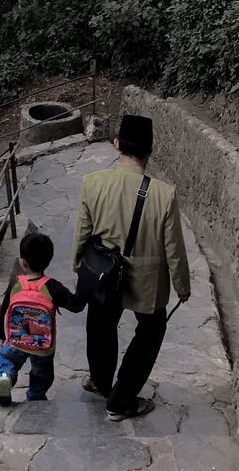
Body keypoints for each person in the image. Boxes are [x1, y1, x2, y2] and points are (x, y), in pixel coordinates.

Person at [72, 113, 191, 421]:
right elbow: (174, 248)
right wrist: (182, 285)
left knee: (100, 324)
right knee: (150, 331)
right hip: (147, 281)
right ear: (150, 150)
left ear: (116, 145)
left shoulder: (92, 183)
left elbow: (83, 232)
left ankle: (100, 382)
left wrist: (78, 265)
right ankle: (121, 399)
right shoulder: (164, 195)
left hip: (103, 273)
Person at [0, 230, 86, 406]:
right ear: (49, 260)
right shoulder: (52, 287)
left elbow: (3, 311)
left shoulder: (16, 283)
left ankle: (6, 376)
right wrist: (84, 283)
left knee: (7, 360)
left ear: (22, 261)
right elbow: (76, 306)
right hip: (42, 346)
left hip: (16, 340)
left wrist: (2, 336)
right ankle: (36, 396)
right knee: (41, 374)